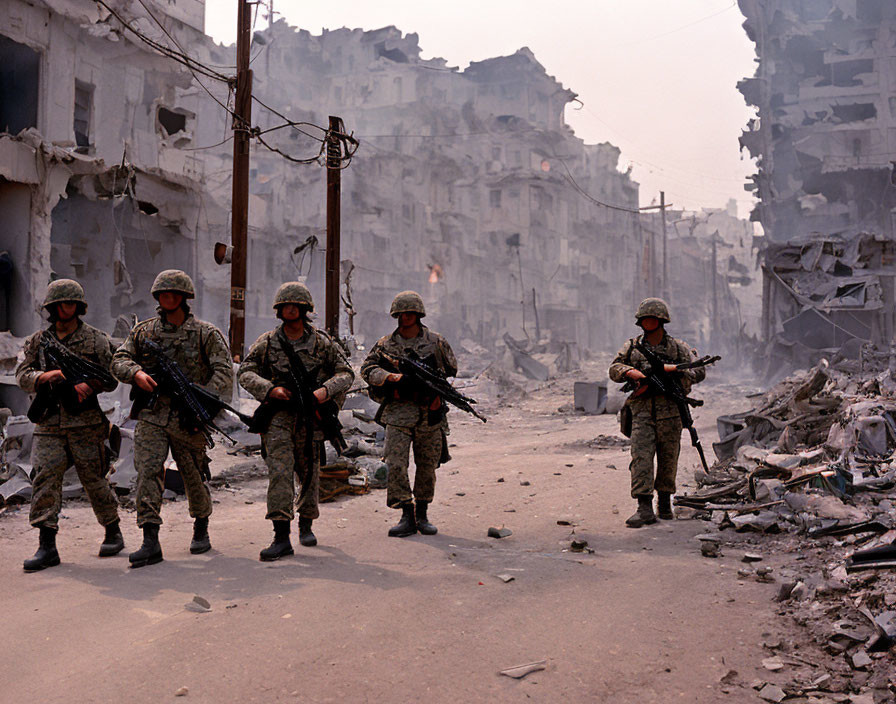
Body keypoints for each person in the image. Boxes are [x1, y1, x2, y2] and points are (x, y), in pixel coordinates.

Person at [111, 270, 233, 568]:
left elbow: (224, 375)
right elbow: (119, 359)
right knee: (148, 472)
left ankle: (201, 525)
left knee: (193, 474)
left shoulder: (206, 333)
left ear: (184, 298)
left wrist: (201, 401)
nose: (167, 298)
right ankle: (150, 539)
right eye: (163, 294)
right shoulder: (144, 332)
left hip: (187, 416)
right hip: (152, 414)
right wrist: (136, 374)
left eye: (173, 294)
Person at [238, 282, 354, 561]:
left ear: (304, 309)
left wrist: (325, 391)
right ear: (279, 310)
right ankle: (281, 535)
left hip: (311, 417)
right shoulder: (267, 342)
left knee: (309, 473)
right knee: (280, 472)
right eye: (285, 306)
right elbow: (245, 371)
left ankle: (306, 522)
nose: (290, 309)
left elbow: (346, 373)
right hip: (278, 417)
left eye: (295, 306)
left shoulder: (322, 342)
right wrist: (269, 389)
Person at [16, 279, 123, 572]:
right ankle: (46, 545)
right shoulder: (39, 341)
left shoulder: (96, 340)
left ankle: (112, 529)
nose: (67, 308)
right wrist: (43, 378)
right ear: (53, 307)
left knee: (94, 478)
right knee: (45, 478)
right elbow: (22, 373)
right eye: (62, 303)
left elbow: (113, 376)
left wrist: (88, 386)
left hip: (85, 423)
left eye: (72, 303)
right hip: (49, 423)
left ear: (79, 307)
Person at [360, 291, 457, 538]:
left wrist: (435, 391)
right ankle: (406, 512)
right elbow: (367, 369)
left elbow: (450, 370)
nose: (405, 318)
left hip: (429, 411)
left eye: (410, 313)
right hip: (398, 412)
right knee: (395, 464)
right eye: (401, 314)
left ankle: (422, 513)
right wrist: (390, 377)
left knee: (427, 465)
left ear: (418, 314)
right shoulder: (386, 345)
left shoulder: (436, 342)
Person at [608, 298, 706, 528]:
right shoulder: (632, 347)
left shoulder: (678, 348)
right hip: (641, 411)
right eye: (645, 319)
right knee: (641, 458)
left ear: (661, 321)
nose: (648, 322)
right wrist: (630, 372)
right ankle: (644, 507)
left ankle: (664, 503)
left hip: (670, 411)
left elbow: (698, 371)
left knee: (668, 458)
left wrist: (679, 377)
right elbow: (614, 368)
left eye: (652, 319)